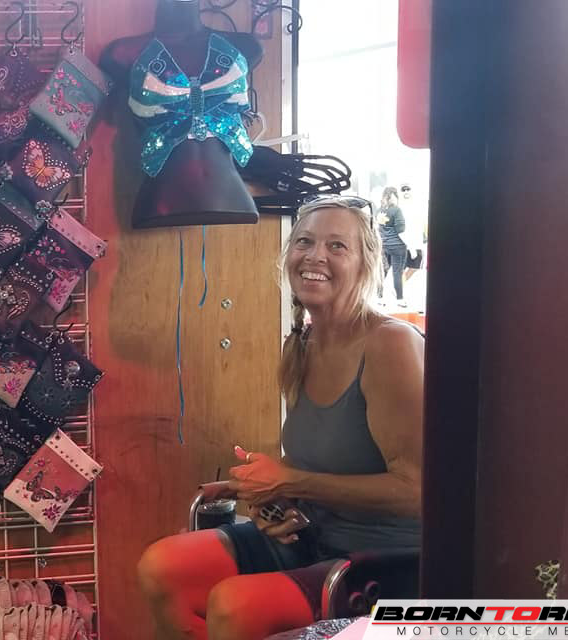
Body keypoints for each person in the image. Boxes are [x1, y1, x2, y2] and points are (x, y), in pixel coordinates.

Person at [137, 196, 425, 640]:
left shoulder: (390, 344)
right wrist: (270, 493)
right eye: (304, 242)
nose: (315, 256)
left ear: (366, 264)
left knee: (236, 606)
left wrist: (292, 482)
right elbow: (325, 463)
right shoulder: (303, 344)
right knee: (162, 566)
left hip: (383, 563)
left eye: (337, 246)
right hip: (312, 536)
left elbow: (418, 492)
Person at [376, 187, 408, 306]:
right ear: (395, 196)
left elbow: (378, 228)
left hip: (383, 245)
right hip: (397, 246)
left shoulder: (379, 211)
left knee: (382, 271)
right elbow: (400, 230)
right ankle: (400, 299)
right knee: (397, 273)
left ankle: (380, 298)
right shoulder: (396, 210)